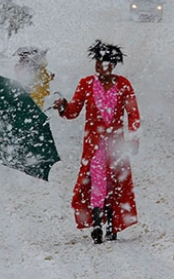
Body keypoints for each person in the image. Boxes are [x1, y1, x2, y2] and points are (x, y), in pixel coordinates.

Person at [53, 40, 141, 244]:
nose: (101, 69)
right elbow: (73, 111)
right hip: (94, 146)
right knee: (98, 182)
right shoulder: (86, 84)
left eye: (106, 65)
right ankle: (96, 223)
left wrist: (134, 139)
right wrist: (63, 106)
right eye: (98, 65)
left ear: (113, 66)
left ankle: (111, 223)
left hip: (116, 145)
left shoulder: (124, 85)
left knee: (115, 183)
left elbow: (133, 114)